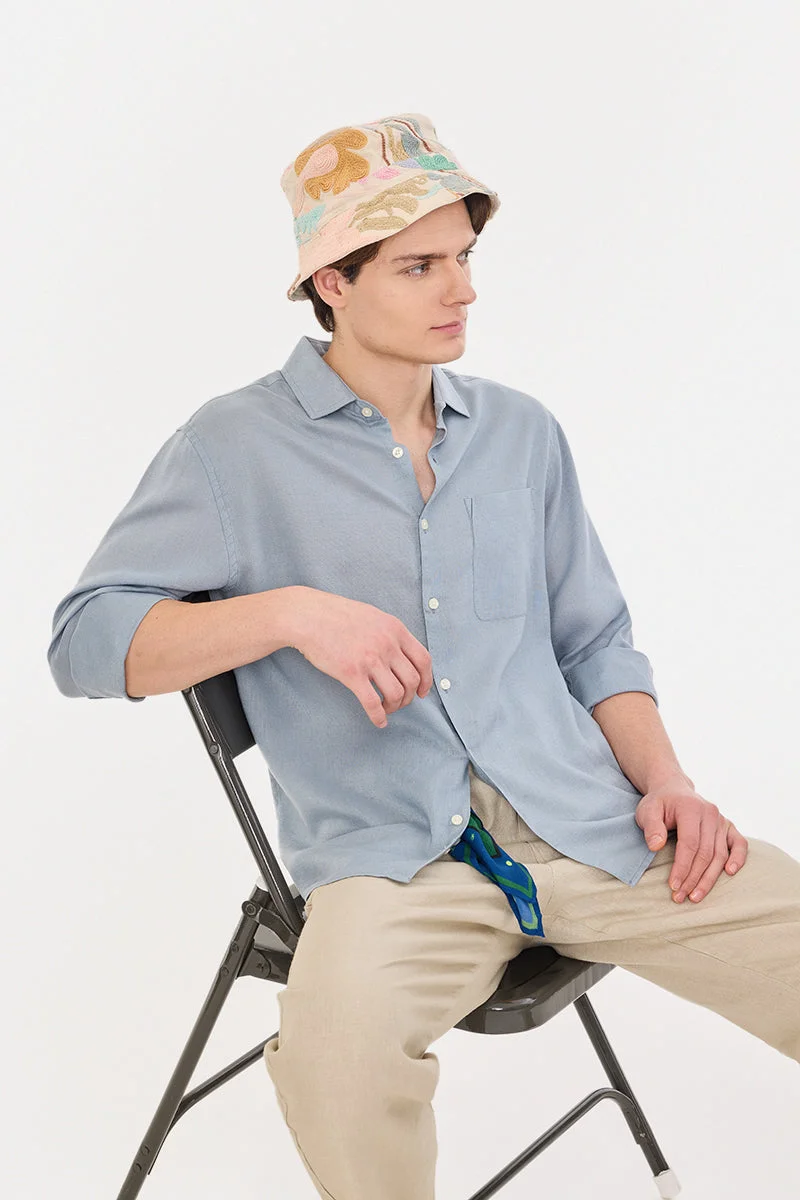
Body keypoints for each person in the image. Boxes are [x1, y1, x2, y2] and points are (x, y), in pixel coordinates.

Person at [47, 113, 800, 1200]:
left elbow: (592, 641)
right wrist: (291, 613)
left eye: (463, 257)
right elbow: (83, 642)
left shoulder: (521, 433)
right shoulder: (230, 448)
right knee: (335, 1063)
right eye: (419, 265)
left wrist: (667, 782)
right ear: (333, 282)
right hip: (389, 859)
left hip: (588, 823)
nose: (463, 290)